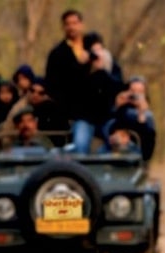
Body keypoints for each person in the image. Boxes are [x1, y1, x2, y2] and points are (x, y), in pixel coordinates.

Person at [45, 9, 95, 152]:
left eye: (75, 23)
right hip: (71, 113)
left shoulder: (93, 48)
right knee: (79, 147)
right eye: (68, 24)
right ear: (63, 27)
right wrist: (79, 66)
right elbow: (52, 85)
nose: (72, 27)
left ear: (81, 25)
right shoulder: (57, 54)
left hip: (95, 111)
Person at [105, 76, 156, 161]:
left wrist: (142, 112)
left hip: (134, 152)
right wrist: (118, 105)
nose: (135, 95)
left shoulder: (148, 115)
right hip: (113, 147)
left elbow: (148, 138)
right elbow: (109, 125)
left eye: (140, 92)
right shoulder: (121, 108)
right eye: (132, 91)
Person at [27, 77, 70, 146]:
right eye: (32, 91)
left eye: (41, 93)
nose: (35, 95)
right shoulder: (25, 106)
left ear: (47, 95)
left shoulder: (54, 110)